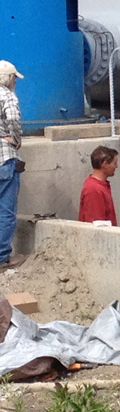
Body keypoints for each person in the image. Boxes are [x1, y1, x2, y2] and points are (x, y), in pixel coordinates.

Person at [0, 60, 25, 268]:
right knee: (6, 210)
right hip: (4, 158)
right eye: (14, 77)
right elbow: (14, 119)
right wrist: (16, 139)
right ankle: (1, 256)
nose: (15, 81)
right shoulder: (7, 95)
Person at [79, 145, 119, 226]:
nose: (116, 166)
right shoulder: (93, 189)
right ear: (105, 164)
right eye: (114, 163)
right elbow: (97, 224)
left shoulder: (101, 186)